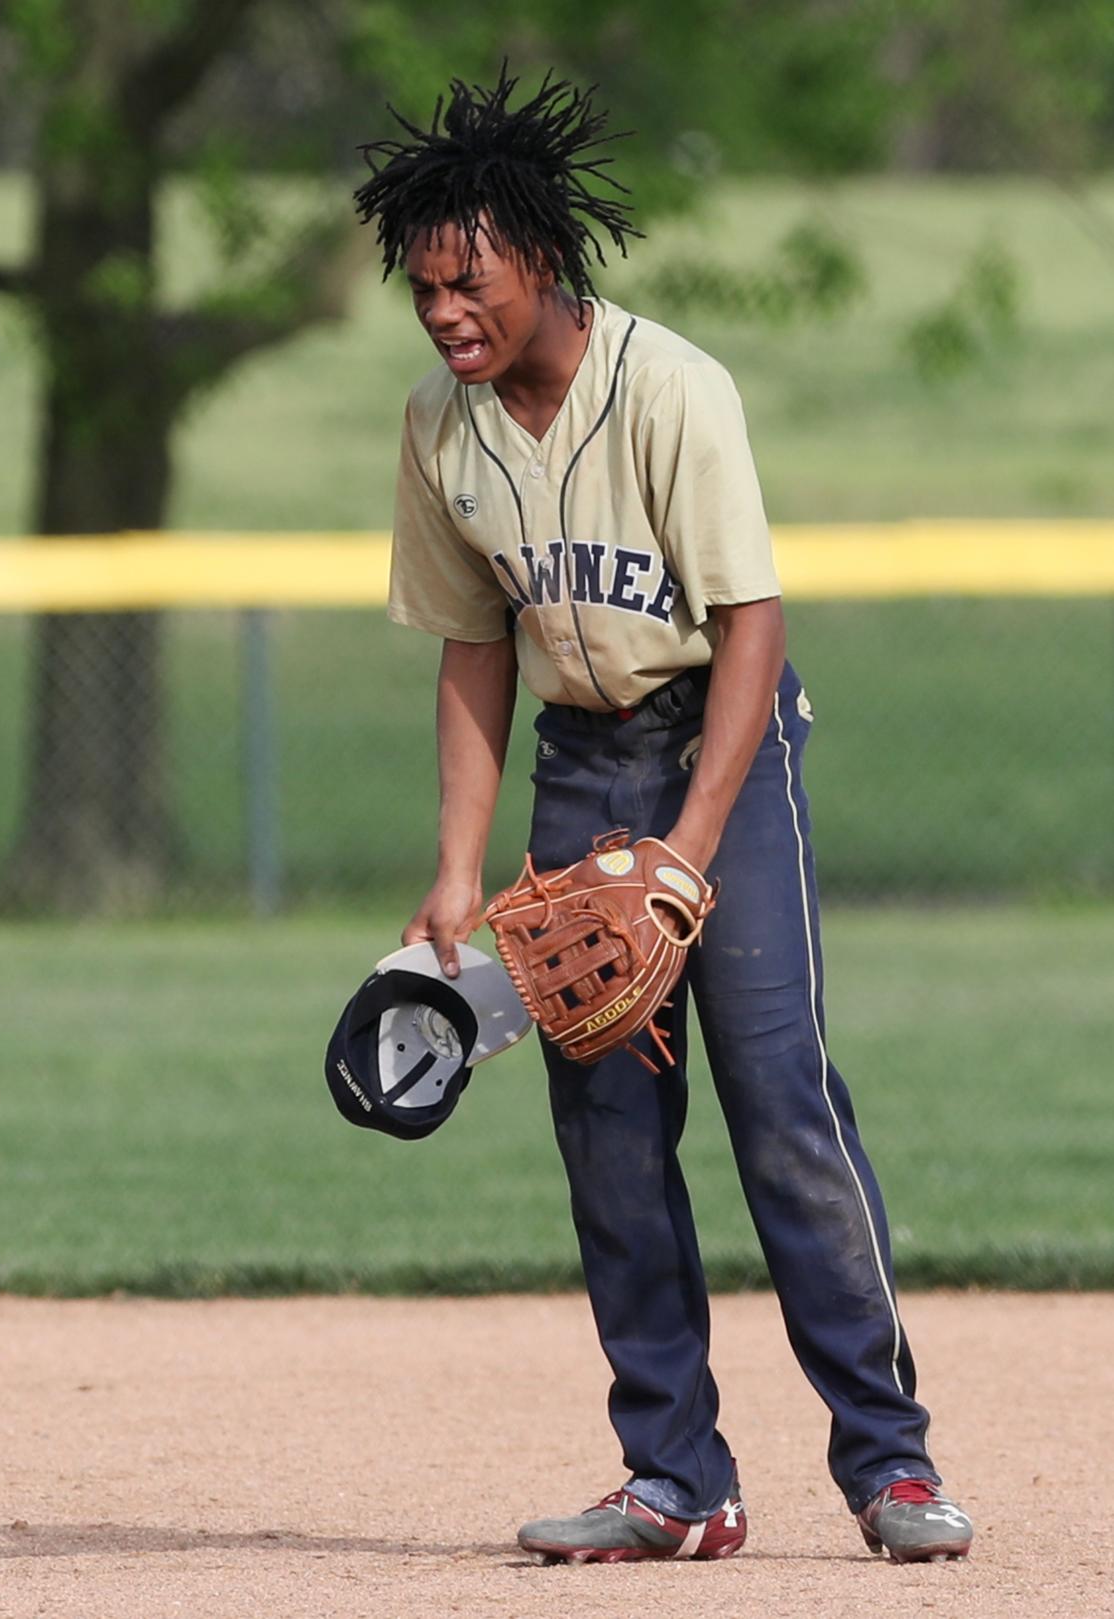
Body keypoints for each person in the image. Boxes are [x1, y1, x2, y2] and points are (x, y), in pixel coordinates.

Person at [353, 67, 973, 1567]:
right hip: (580, 764)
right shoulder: (443, 431)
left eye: (467, 279)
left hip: (721, 749)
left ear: (543, 261)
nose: (444, 311)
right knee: (610, 1132)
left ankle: (889, 1466)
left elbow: (751, 625)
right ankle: (675, 1478)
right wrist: (453, 871)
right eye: (423, 287)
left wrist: (691, 852)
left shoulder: (674, 388)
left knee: (780, 1104)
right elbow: (472, 648)